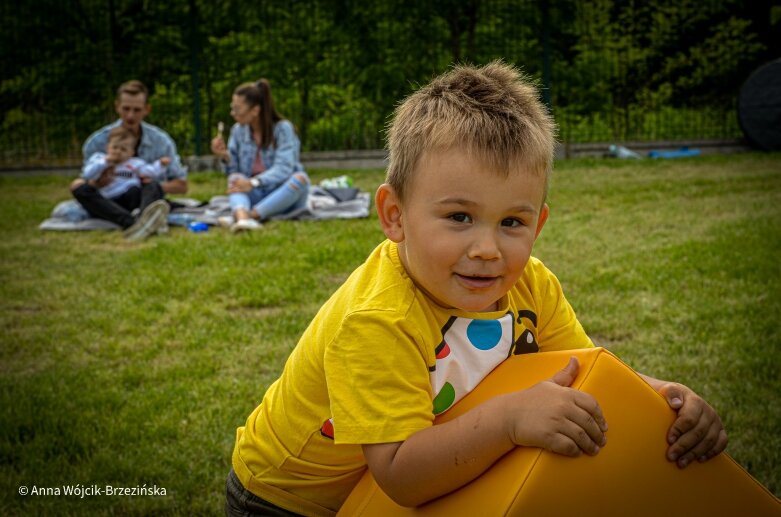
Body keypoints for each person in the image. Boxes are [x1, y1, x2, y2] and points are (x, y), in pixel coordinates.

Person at [225, 62, 728, 516]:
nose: (488, 248)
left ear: (539, 224)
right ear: (394, 215)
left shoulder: (533, 284)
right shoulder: (378, 318)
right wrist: (510, 418)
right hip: (288, 500)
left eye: (512, 221)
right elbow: (402, 474)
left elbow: (585, 370)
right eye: (460, 216)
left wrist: (661, 396)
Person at [70, 80, 187, 240]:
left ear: (147, 109)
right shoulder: (97, 142)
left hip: (140, 197)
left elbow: (182, 186)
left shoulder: (161, 141)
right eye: (126, 109)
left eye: (137, 110)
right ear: (117, 106)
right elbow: (85, 180)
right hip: (107, 200)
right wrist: (97, 182)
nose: (130, 116)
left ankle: (142, 219)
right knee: (78, 188)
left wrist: (148, 183)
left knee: (151, 184)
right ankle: (136, 222)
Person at [210, 79, 310, 233]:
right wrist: (224, 156)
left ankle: (246, 216)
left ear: (255, 110)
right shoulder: (238, 131)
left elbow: (284, 169)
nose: (232, 113)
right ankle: (243, 219)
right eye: (232, 108)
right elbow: (233, 171)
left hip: (281, 194)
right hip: (255, 194)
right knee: (235, 179)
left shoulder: (283, 129)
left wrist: (254, 182)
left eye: (237, 109)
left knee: (301, 179)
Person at [74, 125, 171, 240]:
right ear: (107, 147)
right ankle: (132, 222)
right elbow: (87, 174)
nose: (118, 152)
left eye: (123, 149)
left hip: (131, 198)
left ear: (131, 152)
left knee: (152, 185)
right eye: (115, 147)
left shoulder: (135, 164)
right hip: (108, 203)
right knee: (80, 189)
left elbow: (150, 172)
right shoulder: (99, 159)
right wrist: (105, 162)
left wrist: (160, 164)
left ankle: (144, 216)